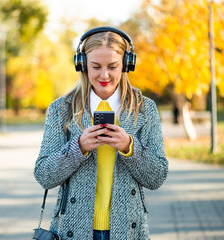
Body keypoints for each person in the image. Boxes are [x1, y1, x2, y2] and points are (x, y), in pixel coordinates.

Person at [34, 26, 168, 240]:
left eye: (113, 66)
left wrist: (129, 147)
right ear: (82, 64)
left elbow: (158, 177)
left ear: (126, 65)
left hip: (127, 231)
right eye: (96, 66)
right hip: (73, 230)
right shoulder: (61, 109)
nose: (104, 75)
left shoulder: (144, 109)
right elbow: (43, 175)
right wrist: (78, 148)